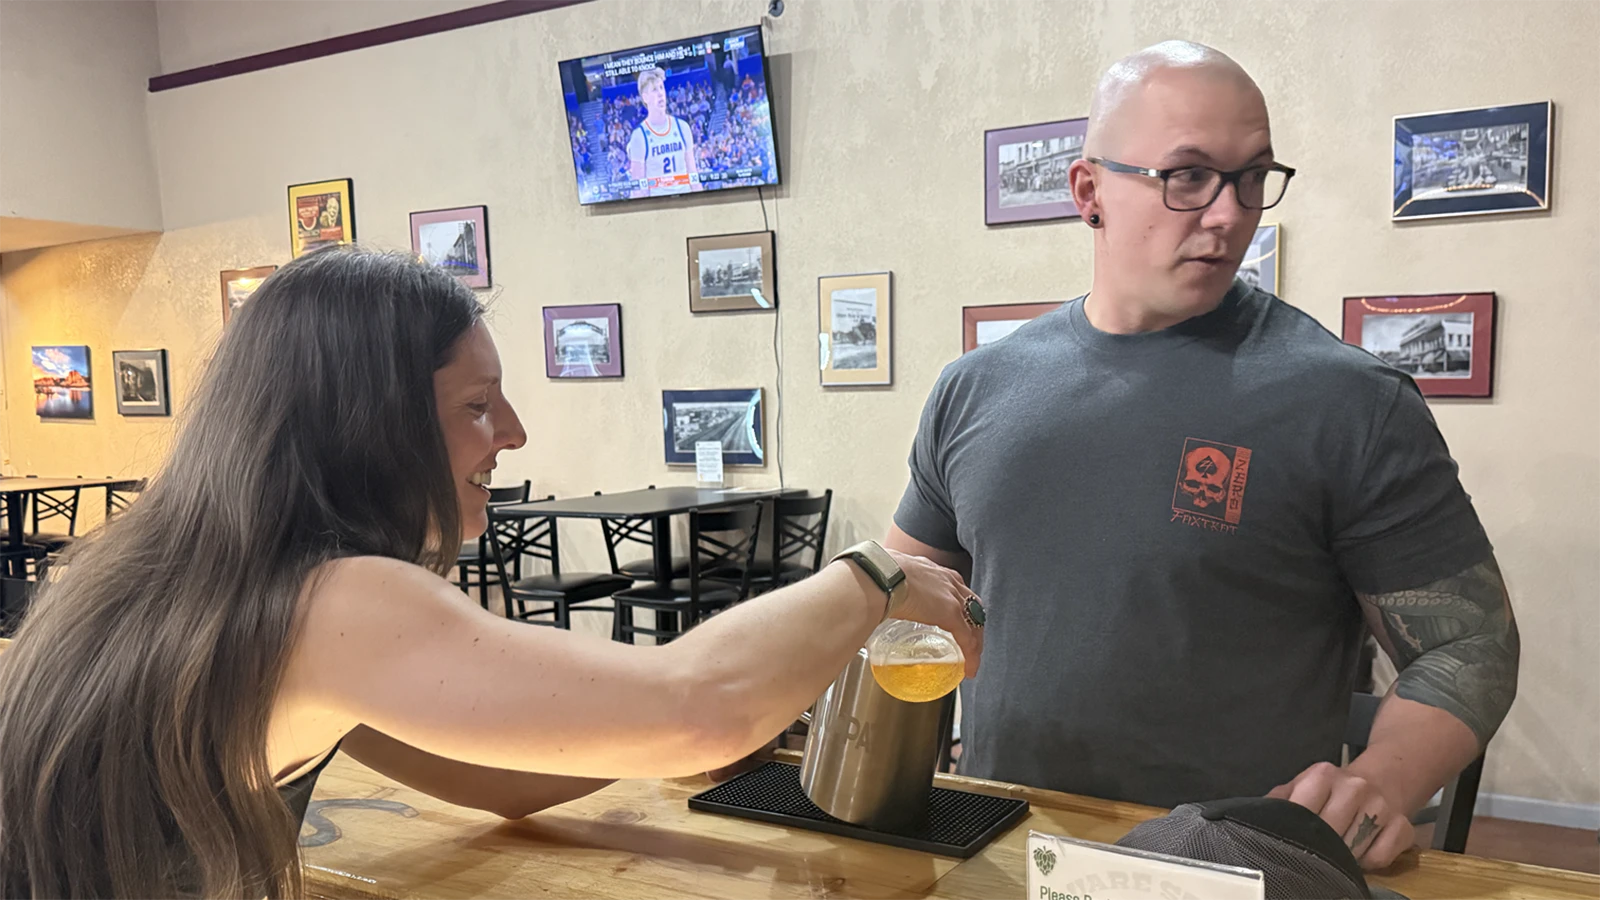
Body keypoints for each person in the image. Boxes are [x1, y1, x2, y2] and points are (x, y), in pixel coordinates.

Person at [0, 247, 984, 900]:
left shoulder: (187, 576)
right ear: (370, 425)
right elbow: (698, 703)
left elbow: (493, 773)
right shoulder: (332, 600)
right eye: (478, 406)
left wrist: (687, 737)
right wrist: (878, 575)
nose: (512, 434)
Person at [887, 40, 1518, 871]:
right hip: (1006, 851)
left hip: (1236, 865)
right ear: (1089, 192)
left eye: (1251, 177)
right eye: (1188, 176)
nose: (1230, 214)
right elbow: (898, 609)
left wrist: (1380, 782)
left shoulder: (1349, 402)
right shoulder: (974, 388)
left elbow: (1469, 646)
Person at [625, 67, 701, 197]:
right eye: (654, 90)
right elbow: (638, 189)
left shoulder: (682, 127)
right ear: (645, 98)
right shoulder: (639, 136)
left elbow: (693, 174)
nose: (660, 93)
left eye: (661, 88)